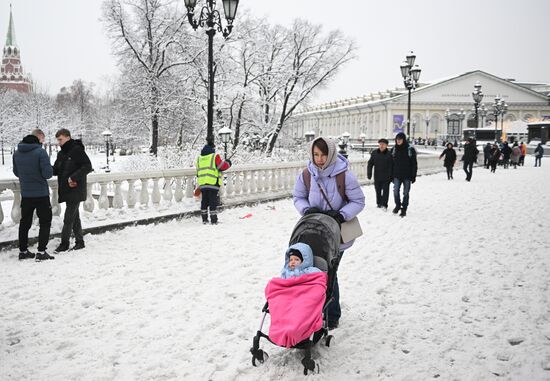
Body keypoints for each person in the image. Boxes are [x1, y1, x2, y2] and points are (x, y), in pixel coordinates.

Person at [293, 136, 365, 329]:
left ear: (331, 154)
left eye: (323, 155)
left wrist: (342, 215)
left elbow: (359, 201)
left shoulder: (344, 176)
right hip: (313, 230)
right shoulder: (307, 175)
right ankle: (313, 310)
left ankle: (332, 315)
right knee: (313, 270)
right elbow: (298, 196)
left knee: (329, 272)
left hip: (336, 234)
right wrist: (306, 210)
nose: (319, 159)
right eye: (316, 154)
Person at [13, 129, 54, 261]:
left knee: (24, 223)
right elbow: (47, 174)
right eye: (42, 139)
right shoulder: (40, 152)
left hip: (26, 194)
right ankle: (41, 252)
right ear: (39, 137)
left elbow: (16, 172)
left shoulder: (17, 152)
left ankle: (23, 251)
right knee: (45, 222)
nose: (43, 142)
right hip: (41, 194)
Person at [53, 129, 93, 253]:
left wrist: (73, 177)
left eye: (60, 139)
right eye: (57, 140)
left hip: (76, 189)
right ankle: (80, 242)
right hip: (66, 189)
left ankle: (64, 244)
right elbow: (56, 170)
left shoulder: (77, 150)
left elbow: (87, 166)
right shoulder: (61, 153)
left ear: (68, 137)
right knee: (74, 217)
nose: (58, 142)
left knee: (68, 217)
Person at [196, 140, 231, 225]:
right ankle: (214, 220)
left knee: (204, 201)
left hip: (203, 183)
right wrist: (228, 163)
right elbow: (221, 167)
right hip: (212, 183)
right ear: (212, 148)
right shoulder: (214, 156)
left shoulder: (199, 158)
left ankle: (204, 219)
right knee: (212, 202)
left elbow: (198, 171)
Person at [390, 132, 417, 217]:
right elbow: (390, 163)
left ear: (403, 140)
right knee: (395, 192)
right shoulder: (394, 149)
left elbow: (414, 164)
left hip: (407, 175)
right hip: (396, 175)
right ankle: (398, 205)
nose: (398, 141)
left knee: (406, 193)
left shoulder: (410, 149)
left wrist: (413, 175)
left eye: (400, 139)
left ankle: (404, 208)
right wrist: (391, 175)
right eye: (397, 139)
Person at [367, 138, 393, 210]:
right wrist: (369, 174)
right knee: (377, 190)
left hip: (386, 176)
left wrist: (391, 177)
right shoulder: (374, 153)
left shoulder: (389, 154)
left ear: (386, 145)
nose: (381, 146)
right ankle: (379, 203)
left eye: (383, 144)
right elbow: (370, 163)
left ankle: (384, 205)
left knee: (385, 191)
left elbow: (391, 166)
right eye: (380, 144)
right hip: (377, 175)